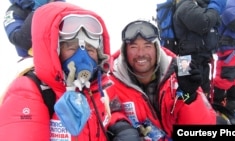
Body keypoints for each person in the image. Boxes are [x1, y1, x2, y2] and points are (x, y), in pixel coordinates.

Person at [0, 2, 140, 141]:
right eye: (72, 48)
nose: (83, 57)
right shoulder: (29, 94)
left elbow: (111, 112)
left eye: (90, 49)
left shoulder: (99, 85)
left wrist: (121, 127)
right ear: (55, 51)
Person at [108, 20, 217, 140]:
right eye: (134, 47)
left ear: (157, 49)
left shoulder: (179, 75)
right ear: (124, 51)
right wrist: (121, 127)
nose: (141, 53)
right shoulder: (110, 83)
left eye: (147, 46)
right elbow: (108, 115)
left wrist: (189, 97)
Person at [172, 0, 226, 99]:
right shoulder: (185, 5)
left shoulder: (195, 5)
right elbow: (204, 22)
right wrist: (215, 7)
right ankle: (188, 110)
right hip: (186, 60)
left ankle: (203, 108)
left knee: (203, 92)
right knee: (187, 95)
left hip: (199, 58)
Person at [3, 0, 65, 75]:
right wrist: (38, 10)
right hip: (33, 65)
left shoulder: (58, 5)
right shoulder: (14, 12)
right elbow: (20, 39)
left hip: (64, 58)